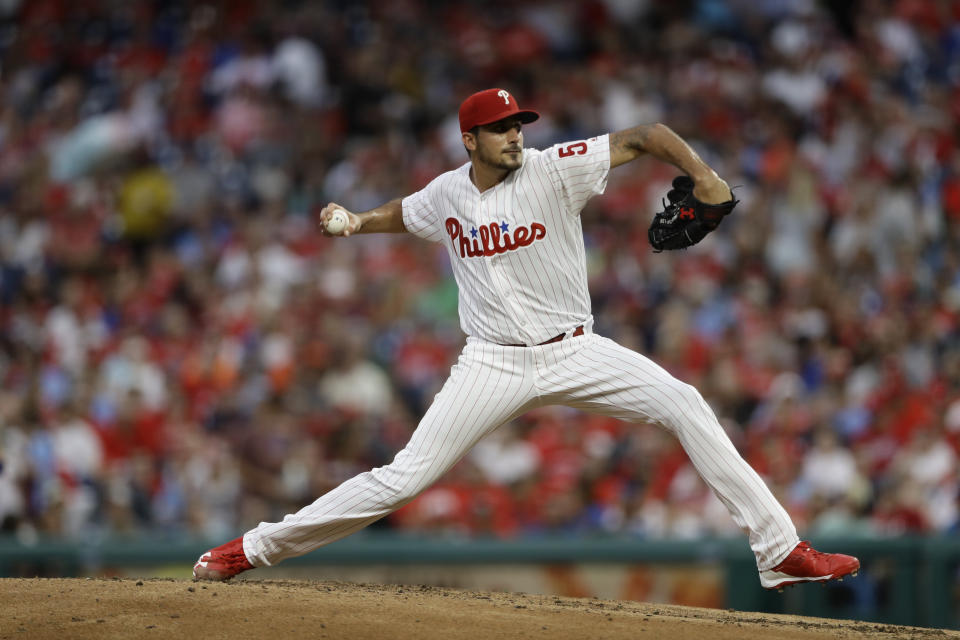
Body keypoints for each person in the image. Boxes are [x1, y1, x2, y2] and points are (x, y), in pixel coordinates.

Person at [193, 88, 859, 590]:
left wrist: (707, 177)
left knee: (683, 401)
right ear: (469, 140)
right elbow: (409, 212)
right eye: (500, 128)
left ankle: (778, 551)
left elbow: (647, 136)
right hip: (492, 362)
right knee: (402, 480)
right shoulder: (448, 191)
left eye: (518, 124)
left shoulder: (552, 169)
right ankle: (249, 551)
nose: (515, 135)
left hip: (576, 350)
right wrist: (356, 220)